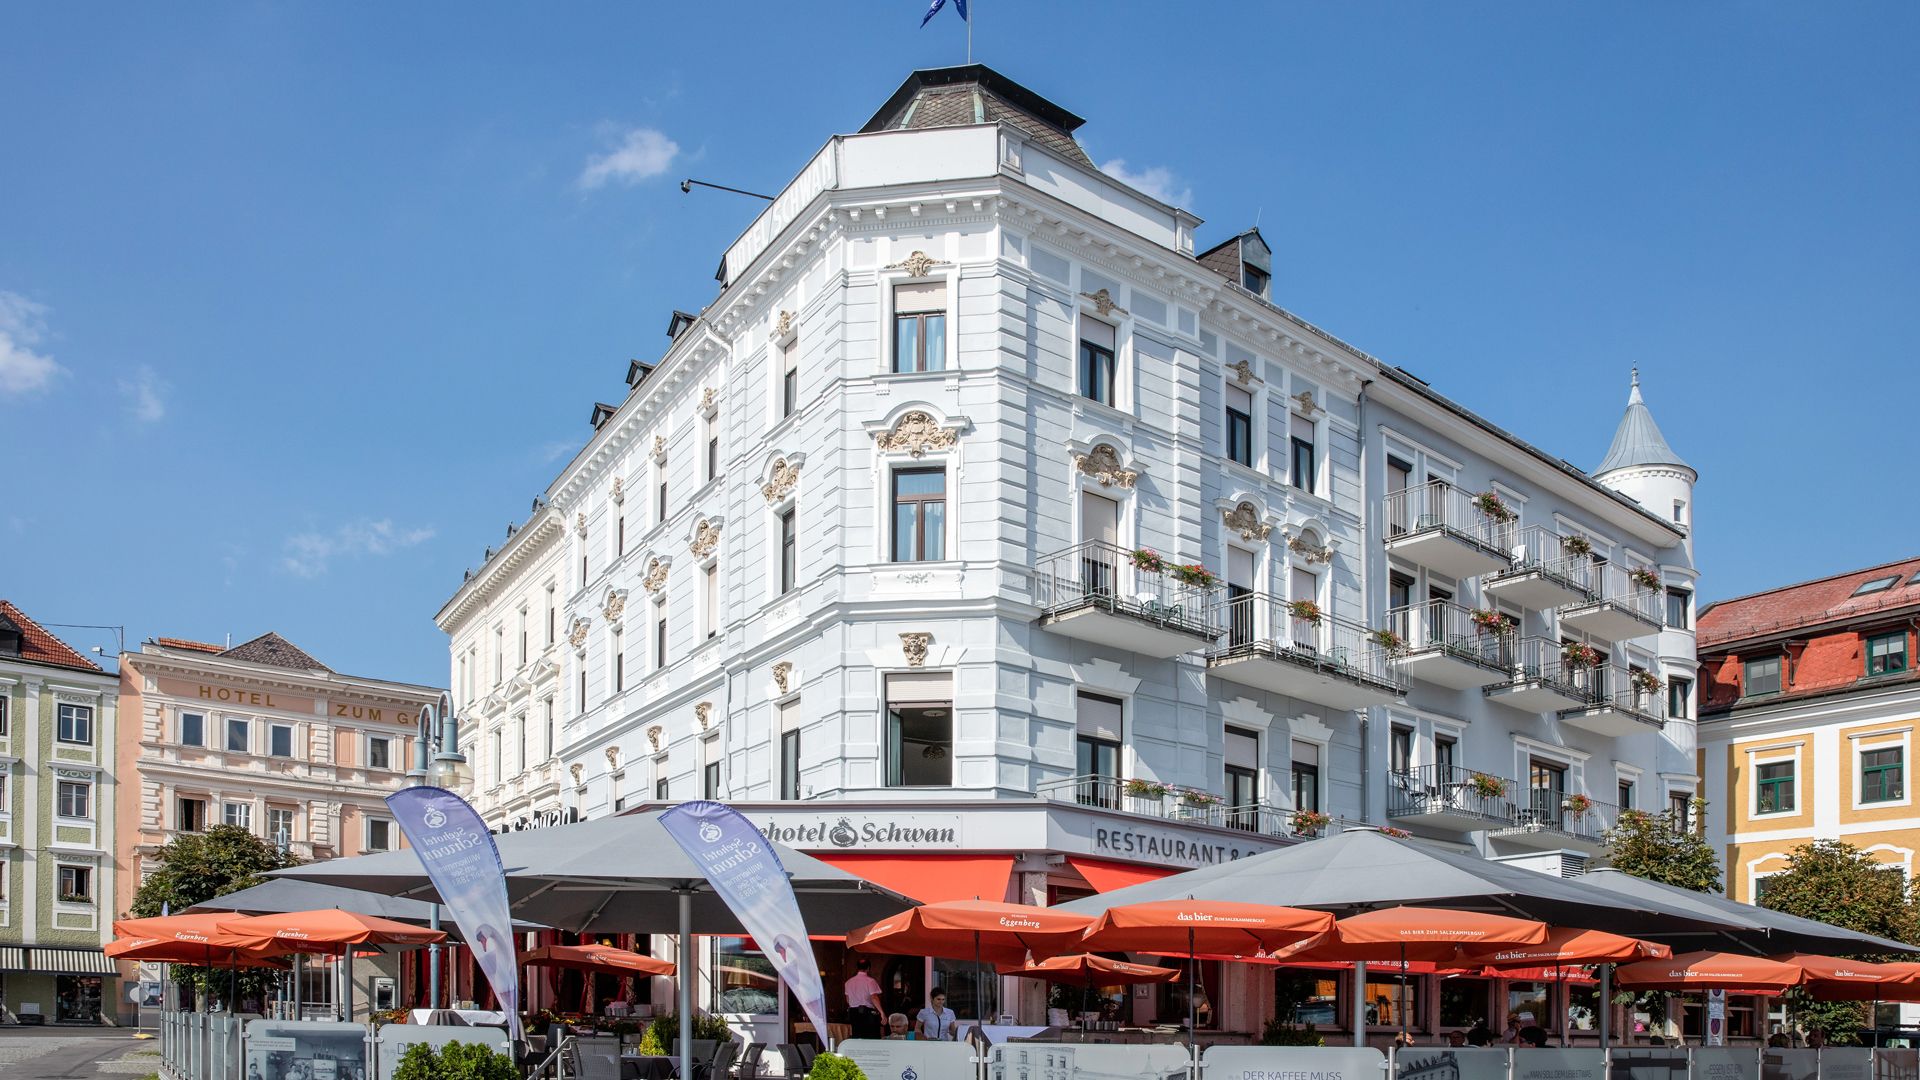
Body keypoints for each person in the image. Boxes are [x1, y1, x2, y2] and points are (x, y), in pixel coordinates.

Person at [845, 959, 885, 1040]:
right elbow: (874, 997)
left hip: (853, 1013)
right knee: (871, 1038)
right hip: (867, 1013)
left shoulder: (848, 982)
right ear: (868, 968)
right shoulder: (870, 981)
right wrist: (882, 1012)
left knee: (857, 1037)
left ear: (857, 968)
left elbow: (848, 1000)